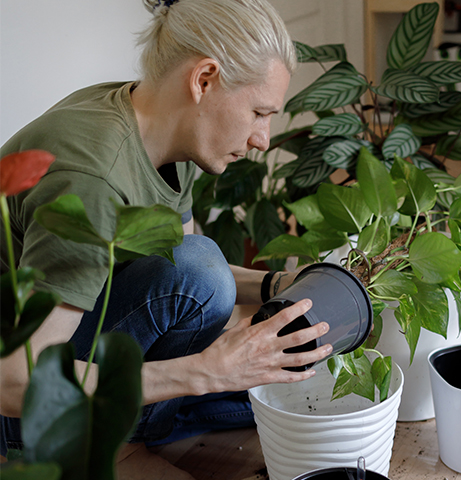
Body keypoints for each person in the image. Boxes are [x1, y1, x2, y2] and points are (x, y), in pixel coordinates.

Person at [0, 0, 332, 478]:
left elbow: (176, 270)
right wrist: (207, 371)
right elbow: (14, 381)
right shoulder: (92, 179)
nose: (264, 138)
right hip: (21, 408)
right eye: (259, 112)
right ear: (204, 79)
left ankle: (133, 427)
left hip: (76, 358)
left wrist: (277, 284)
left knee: (295, 379)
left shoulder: (164, 133)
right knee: (206, 281)